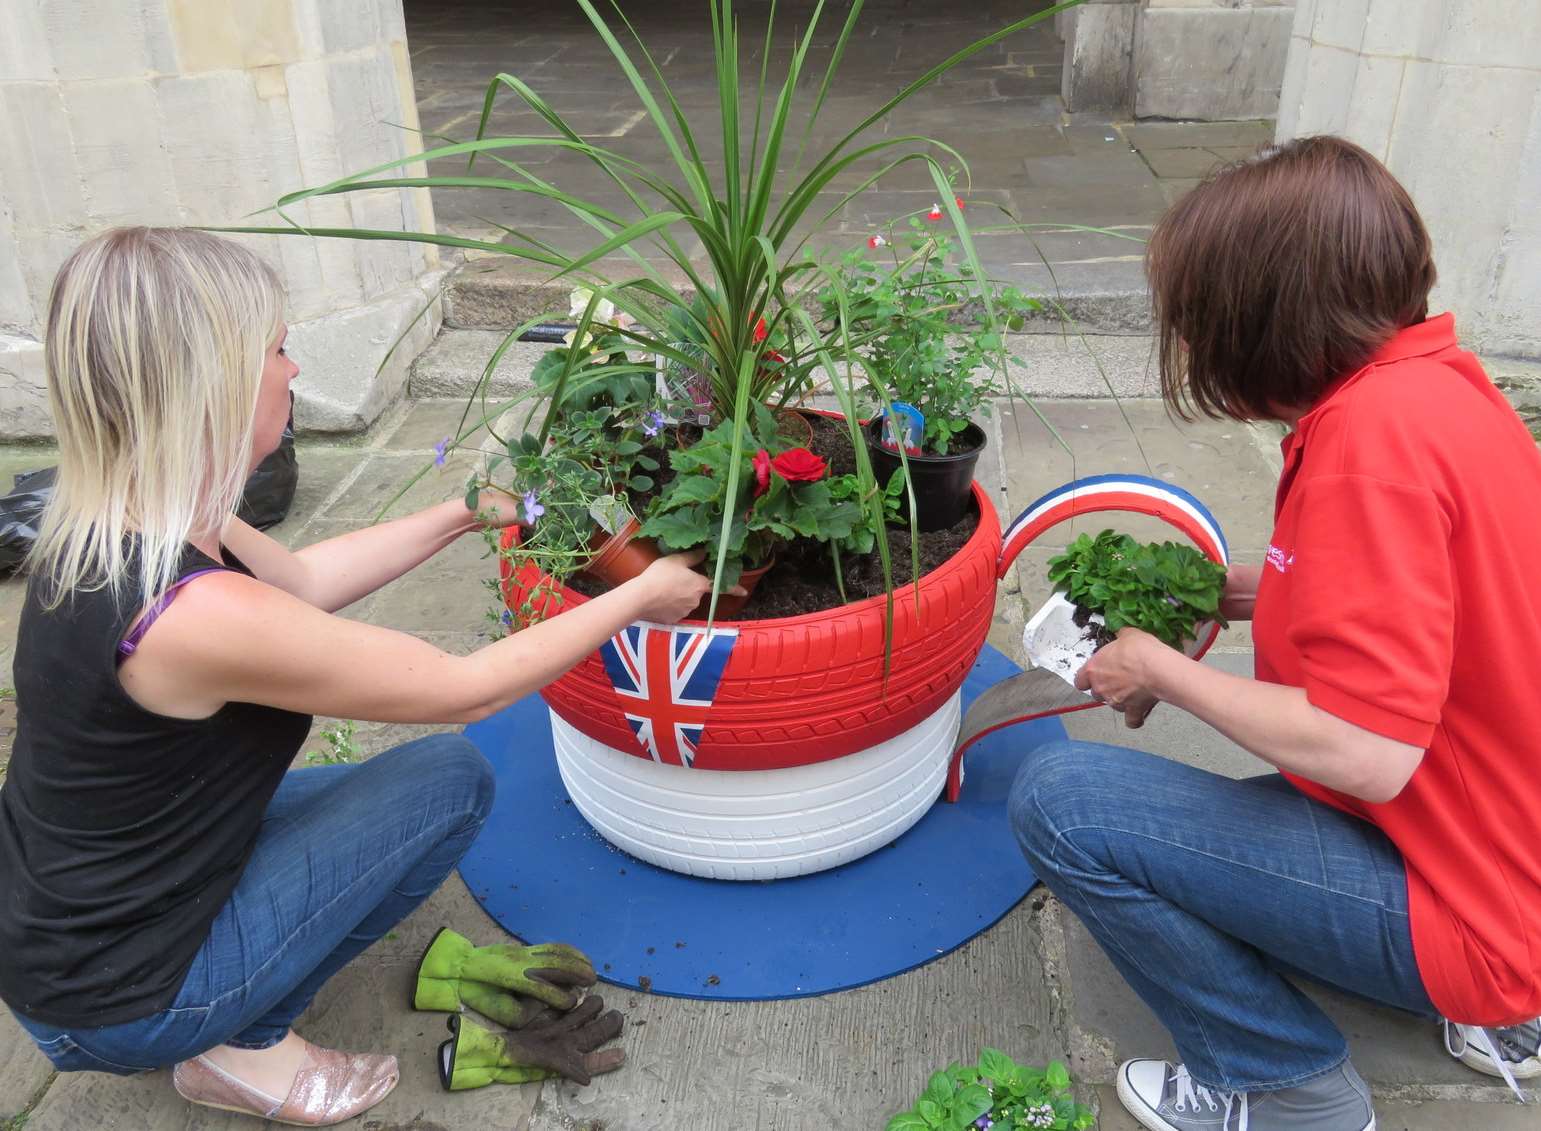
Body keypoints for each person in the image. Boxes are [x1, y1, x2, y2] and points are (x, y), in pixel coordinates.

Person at [0, 227, 713, 1126]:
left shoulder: (118, 510)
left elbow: (304, 582)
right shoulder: (187, 615)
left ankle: (208, 1006)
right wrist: (641, 592)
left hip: (72, 915)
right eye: (275, 349)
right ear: (209, 384)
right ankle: (238, 1047)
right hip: (114, 997)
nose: (292, 371)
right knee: (450, 781)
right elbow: (469, 689)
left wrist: (459, 513)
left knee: (421, 783)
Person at [1010, 135, 1541, 1131]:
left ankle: (1284, 1082)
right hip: (1510, 847)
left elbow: (1364, 750)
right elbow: (1403, 597)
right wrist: (1230, 593)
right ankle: (1502, 1018)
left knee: (1064, 801)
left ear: (1260, 320)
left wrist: (1157, 668)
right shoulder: (1438, 391)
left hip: (1473, 908)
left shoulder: (1366, 449)